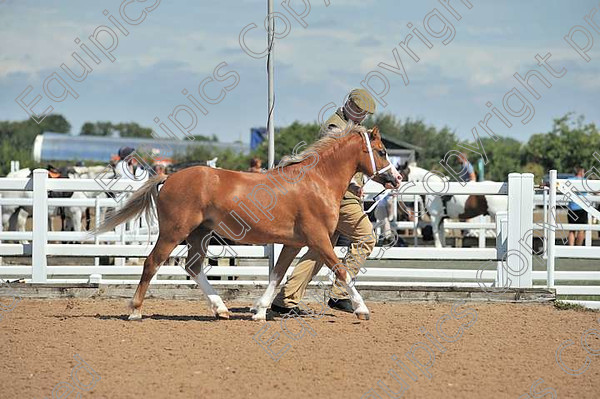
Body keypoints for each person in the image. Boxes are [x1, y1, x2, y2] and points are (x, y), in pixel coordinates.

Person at [271, 88, 400, 315]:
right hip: (339, 198)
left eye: (364, 114)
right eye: (358, 111)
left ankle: (286, 300)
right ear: (348, 104)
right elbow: (337, 164)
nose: (361, 117)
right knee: (366, 237)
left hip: (340, 194)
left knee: (321, 250)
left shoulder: (351, 128)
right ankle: (340, 293)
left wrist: (381, 178)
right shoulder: (336, 128)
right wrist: (355, 184)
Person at [568, 166, 588, 246]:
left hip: (572, 208)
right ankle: (578, 248)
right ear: (580, 172)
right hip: (582, 208)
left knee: (571, 230)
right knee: (581, 230)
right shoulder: (585, 181)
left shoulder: (569, 180)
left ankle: (571, 248)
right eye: (583, 171)